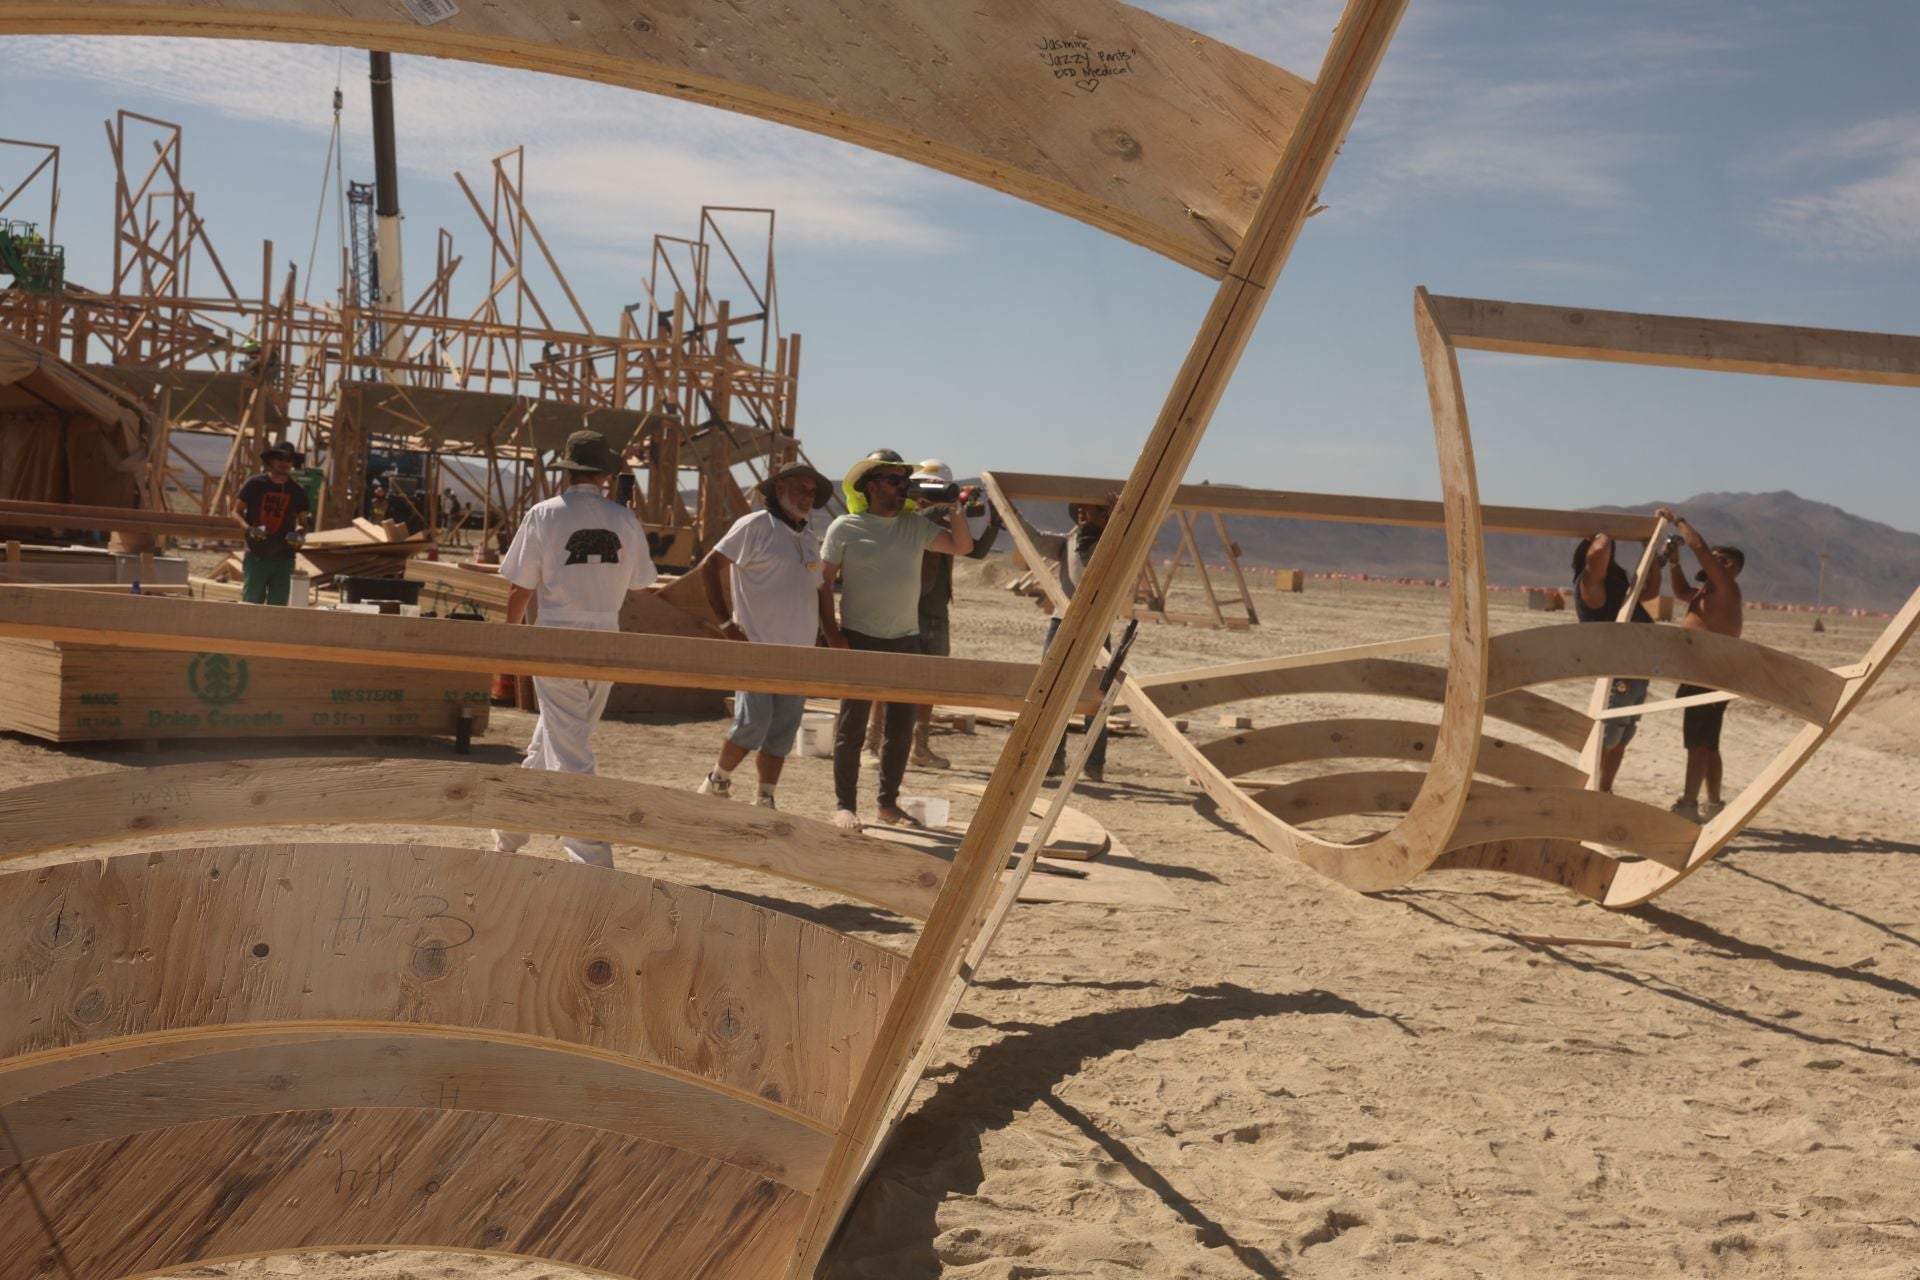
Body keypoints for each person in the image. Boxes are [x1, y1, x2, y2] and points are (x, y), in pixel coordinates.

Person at [490, 430, 658, 866]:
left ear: (567, 470)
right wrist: (628, 527)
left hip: (557, 639)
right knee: (563, 740)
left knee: (567, 747)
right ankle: (526, 836)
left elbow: (519, 587)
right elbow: (642, 583)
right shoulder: (624, 519)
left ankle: (587, 858)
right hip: (606, 642)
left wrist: (509, 643)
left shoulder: (544, 515)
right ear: (605, 474)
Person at [822, 452, 973, 829]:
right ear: (871, 486)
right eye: (893, 480)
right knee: (851, 728)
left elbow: (962, 546)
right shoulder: (845, 527)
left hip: (906, 639)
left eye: (904, 480)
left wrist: (954, 506)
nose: (901, 486)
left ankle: (887, 805)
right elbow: (821, 584)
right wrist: (833, 635)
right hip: (858, 638)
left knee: (900, 730)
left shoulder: (915, 526)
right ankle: (845, 806)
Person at [694, 461, 838, 808]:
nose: (807, 497)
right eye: (801, 488)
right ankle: (717, 781)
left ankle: (765, 797)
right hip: (757, 648)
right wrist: (727, 626)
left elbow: (819, 590)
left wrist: (829, 635)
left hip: (799, 655)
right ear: (780, 488)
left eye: (812, 491)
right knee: (752, 723)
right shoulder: (755, 525)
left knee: (782, 731)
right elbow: (709, 567)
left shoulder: (808, 539)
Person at [903, 460, 999, 768]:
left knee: (931, 682)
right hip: (907, 613)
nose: (931, 494)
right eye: (928, 488)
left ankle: (919, 746)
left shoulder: (944, 521)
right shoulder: (907, 519)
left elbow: (974, 550)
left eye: (938, 488)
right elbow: (924, 518)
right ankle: (874, 741)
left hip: (936, 613)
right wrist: (951, 502)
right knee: (895, 678)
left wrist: (994, 521)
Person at [1657, 507, 1745, 819]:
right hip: (1706, 674)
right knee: (1708, 744)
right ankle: (1714, 803)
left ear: (1730, 567)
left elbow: (1699, 548)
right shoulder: (1707, 592)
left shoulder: (1725, 588)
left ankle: (1688, 804)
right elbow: (1681, 591)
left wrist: (1677, 520)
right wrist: (1674, 562)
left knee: (1697, 743)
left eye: (1720, 560)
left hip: (1707, 675)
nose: (1712, 562)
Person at [1033, 494, 1117, 781]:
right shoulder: (1068, 542)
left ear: (1104, 514)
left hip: (1096, 626)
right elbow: (1035, 540)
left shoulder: (1116, 543)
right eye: (1079, 508)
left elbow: (1093, 569)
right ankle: (1054, 759)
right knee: (1050, 690)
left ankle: (1093, 764)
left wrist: (1110, 523)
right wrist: (1007, 514)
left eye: (1089, 508)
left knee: (1095, 694)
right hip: (1062, 622)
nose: (1082, 512)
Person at [1572, 531, 1659, 791]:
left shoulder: (1615, 585)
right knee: (1606, 739)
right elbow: (1599, 551)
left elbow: (1651, 591)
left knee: (1621, 738)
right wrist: (1606, 532)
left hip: (1636, 671)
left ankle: (1604, 791)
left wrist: (1651, 553)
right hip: (1617, 673)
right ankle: (1589, 792)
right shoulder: (1589, 583)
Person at [232, 439, 310, 606]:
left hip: (284, 558)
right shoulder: (254, 484)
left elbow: (303, 523)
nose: (285, 463)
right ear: (272, 460)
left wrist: (300, 532)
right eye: (280, 459)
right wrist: (249, 529)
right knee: (251, 605)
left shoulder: (298, 491)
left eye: (289, 460)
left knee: (278, 609)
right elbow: (235, 512)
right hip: (257, 556)